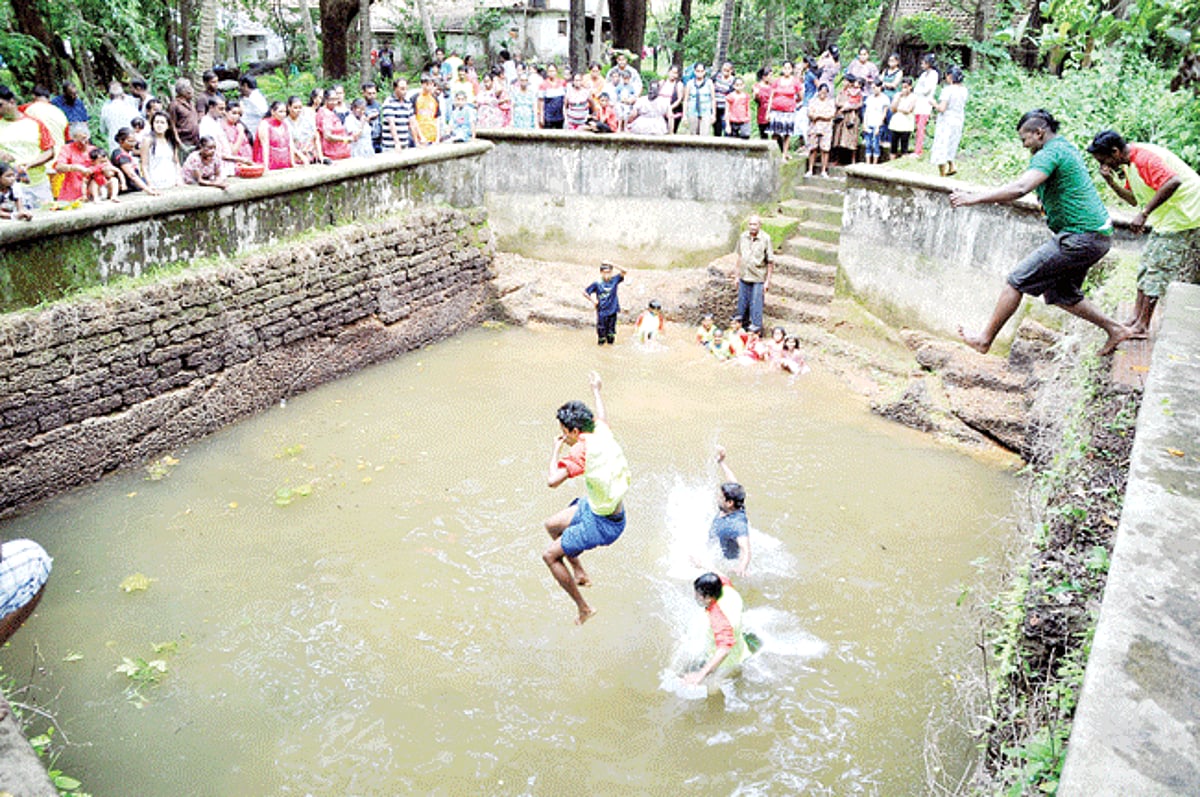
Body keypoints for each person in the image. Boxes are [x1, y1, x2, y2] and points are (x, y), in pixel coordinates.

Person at [950, 109, 1132, 357]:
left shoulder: (1049, 153)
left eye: (1025, 139)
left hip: (1080, 237)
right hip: (1097, 236)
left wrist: (973, 198)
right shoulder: (1064, 147)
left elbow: (1021, 186)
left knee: (1016, 280)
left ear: (1039, 133)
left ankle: (984, 340)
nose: (1025, 145)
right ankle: (1116, 329)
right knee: (1061, 294)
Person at [1088, 129, 1200, 337]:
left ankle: (1143, 325)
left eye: (1103, 160)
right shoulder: (1129, 164)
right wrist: (1111, 182)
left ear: (1115, 152)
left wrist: (1145, 213)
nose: (1103, 165)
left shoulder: (1144, 158)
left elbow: (1173, 181)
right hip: (1168, 218)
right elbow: (1132, 199)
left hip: (1186, 215)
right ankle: (1135, 317)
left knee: (1157, 269)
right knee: (1146, 266)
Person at [542, 372, 631, 625]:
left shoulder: (581, 450)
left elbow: (552, 481)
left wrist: (556, 450)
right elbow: (601, 415)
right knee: (552, 525)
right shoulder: (599, 430)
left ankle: (584, 608)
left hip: (603, 524)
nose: (564, 435)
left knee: (549, 556)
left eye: (564, 432)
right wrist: (596, 390)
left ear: (574, 430)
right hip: (597, 508)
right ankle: (579, 570)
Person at [681, 571, 751, 686]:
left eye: (698, 594)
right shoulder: (727, 589)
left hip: (726, 663)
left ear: (708, 598)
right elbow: (721, 575)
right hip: (741, 647)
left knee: (713, 691)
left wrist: (700, 675)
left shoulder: (718, 617)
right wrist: (701, 564)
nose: (695, 596)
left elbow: (724, 649)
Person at [0, 85, 56, 206]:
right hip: (10, 187)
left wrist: (30, 164)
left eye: (0, 105)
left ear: (12, 101)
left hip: (39, 184)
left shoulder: (36, 123)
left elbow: (50, 151)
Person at [708, 446, 750, 576]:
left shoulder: (737, 525)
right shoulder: (733, 504)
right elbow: (732, 480)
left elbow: (746, 549)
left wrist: (742, 567)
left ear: (730, 503)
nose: (717, 498)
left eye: (721, 497)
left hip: (726, 559)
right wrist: (721, 463)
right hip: (717, 540)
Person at [733, 214, 774, 331]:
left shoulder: (766, 239)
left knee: (756, 307)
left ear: (760, 225)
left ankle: (756, 333)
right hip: (744, 277)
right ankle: (742, 331)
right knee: (742, 306)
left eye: (755, 224)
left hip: (758, 278)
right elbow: (739, 257)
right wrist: (736, 276)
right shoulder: (742, 237)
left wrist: (767, 282)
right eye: (750, 224)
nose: (752, 227)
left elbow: (770, 262)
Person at [930, 66, 967, 176]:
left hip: (946, 120)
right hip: (958, 118)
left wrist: (933, 103)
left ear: (950, 76)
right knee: (952, 144)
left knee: (942, 145)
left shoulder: (948, 90)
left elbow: (942, 108)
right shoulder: (964, 90)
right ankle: (951, 165)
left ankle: (942, 173)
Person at [767, 61, 802, 161]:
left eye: (789, 68)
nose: (787, 70)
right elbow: (771, 96)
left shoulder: (795, 82)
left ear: (791, 70)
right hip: (776, 110)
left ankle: (784, 154)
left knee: (787, 133)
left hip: (788, 111)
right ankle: (772, 154)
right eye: (785, 68)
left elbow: (800, 96)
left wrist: (792, 103)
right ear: (782, 69)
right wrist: (768, 112)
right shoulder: (777, 81)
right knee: (775, 133)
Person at [585, 261, 627, 345]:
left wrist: (611, 263)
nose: (607, 274)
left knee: (611, 335)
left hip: (612, 310)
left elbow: (624, 271)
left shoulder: (615, 280)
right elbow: (585, 292)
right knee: (601, 336)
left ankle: (610, 349)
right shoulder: (597, 283)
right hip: (602, 312)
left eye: (609, 272)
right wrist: (594, 301)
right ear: (601, 272)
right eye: (605, 272)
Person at [53, 122, 96, 202]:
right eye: (79, 141)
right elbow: (58, 167)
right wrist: (75, 167)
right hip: (70, 193)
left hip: (91, 192)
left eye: (84, 139)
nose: (83, 143)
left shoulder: (94, 150)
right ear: (73, 139)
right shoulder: (67, 149)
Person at [142, 111, 181, 190]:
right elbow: (144, 165)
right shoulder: (148, 141)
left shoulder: (171, 141)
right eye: (157, 122)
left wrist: (179, 179)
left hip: (172, 182)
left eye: (162, 123)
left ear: (168, 126)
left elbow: (176, 162)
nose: (159, 125)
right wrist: (149, 184)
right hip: (155, 183)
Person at [111, 127, 156, 195]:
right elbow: (132, 175)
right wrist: (148, 190)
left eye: (134, 141)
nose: (133, 144)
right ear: (121, 141)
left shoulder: (127, 153)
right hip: (127, 190)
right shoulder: (120, 155)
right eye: (130, 141)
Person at [256, 101, 299, 171]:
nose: (283, 114)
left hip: (284, 163)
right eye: (280, 112)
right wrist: (266, 166)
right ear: (273, 112)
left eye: (285, 112)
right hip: (271, 163)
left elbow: (290, 145)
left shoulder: (285, 124)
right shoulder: (265, 124)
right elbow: (265, 145)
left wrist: (292, 162)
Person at [100, 81, 141, 152]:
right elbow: (140, 124)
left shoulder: (105, 109)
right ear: (122, 94)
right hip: (130, 142)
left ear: (109, 95)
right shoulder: (131, 108)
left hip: (114, 144)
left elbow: (102, 129)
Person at [833, 76, 863, 165]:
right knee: (838, 137)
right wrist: (843, 106)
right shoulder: (841, 92)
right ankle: (837, 159)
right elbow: (837, 102)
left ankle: (852, 160)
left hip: (851, 117)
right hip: (841, 117)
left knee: (851, 138)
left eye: (846, 82)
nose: (844, 83)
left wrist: (849, 106)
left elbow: (859, 104)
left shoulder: (857, 93)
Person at [913, 54, 939, 158]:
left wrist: (919, 91)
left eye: (924, 62)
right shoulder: (923, 75)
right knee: (917, 125)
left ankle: (918, 151)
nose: (922, 64)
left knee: (921, 126)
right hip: (919, 102)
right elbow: (917, 88)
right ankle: (917, 148)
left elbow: (927, 90)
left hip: (926, 103)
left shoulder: (934, 74)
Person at [317, 89, 353, 160]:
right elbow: (327, 136)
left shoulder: (330, 112)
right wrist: (345, 139)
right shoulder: (326, 114)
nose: (334, 102)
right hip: (333, 154)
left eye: (336, 99)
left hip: (341, 152)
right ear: (325, 100)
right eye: (332, 100)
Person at [381, 78, 416, 150]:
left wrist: (417, 141)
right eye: (402, 89)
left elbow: (412, 123)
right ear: (395, 88)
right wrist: (397, 142)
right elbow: (391, 124)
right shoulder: (389, 102)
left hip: (405, 143)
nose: (405, 92)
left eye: (406, 89)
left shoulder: (408, 102)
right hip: (390, 145)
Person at [682, 63, 715, 136]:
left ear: (704, 72)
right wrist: (684, 115)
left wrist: (713, 114)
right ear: (694, 71)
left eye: (701, 71)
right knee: (693, 134)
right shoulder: (689, 83)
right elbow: (686, 100)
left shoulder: (709, 83)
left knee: (704, 134)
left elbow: (713, 99)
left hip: (705, 111)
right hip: (692, 111)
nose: (699, 73)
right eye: (698, 71)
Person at [168, 77, 201, 151]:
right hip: (184, 142)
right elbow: (172, 125)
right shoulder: (175, 105)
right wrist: (179, 142)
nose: (191, 91)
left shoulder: (191, 104)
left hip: (195, 141)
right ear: (183, 91)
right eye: (189, 89)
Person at [862, 80, 890, 165]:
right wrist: (864, 123)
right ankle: (867, 163)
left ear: (880, 87)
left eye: (875, 87)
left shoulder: (885, 99)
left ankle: (874, 164)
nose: (873, 89)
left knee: (875, 144)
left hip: (877, 123)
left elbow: (884, 114)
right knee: (868, 144)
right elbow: (866, 112)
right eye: (872, 88)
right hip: (869, 122)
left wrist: (879, 126)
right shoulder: (870, 98)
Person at [888, 78, 916, 157]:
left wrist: (898, 109)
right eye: (902, 87)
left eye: (906, 87)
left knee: (904, 147)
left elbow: (908, 110)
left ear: (910, 87)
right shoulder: (897, 95)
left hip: (906, 126)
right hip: (895, 124)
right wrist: (898, 99)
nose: (904, 89)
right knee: (893, 148)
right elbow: (892, 109)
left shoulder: (913, 97)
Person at [238, 75, 269, 140]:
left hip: (255, 132)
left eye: (240, 86)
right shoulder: (246, 97)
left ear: (245, 86)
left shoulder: (256, 98)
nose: (239, 89)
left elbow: (264, 113)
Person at [414, 76, 441, 144]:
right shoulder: (415, 98)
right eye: (428, 84)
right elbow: (413, 120)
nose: (430, 87)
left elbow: (437, 119)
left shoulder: (435, 99)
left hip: (433, 135)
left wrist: (438, 137)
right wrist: (420, 136)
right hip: (420, 136)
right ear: (423, 85)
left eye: (431, 84)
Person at [537, 64, 566, 129]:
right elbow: (541, 102)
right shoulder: (543, 84)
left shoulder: (562, 83)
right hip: (548, 116)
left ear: (556, 71)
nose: (551, 73)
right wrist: (541, 116)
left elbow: (565, 99)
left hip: (560, 115)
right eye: (550, 71)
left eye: (553, 71)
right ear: (547, 72)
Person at [712, 61, 736, 138]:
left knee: (726, 128)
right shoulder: (716, 77)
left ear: (731, 71)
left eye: (727, 70)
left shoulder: (733, 81)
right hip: (715, 106)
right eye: (724, 70)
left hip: (726, 107)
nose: (725, 72)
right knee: (716, 129)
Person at [361, 82, 383, 153]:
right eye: (369, 93)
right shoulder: (360, 106)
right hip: (366, 140)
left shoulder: (378, 105)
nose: (372, 96)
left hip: (378, 138)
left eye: (374, 93)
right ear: (364, 93)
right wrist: (369, 118)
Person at [752, 67, 773, 141]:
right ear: (764, 76)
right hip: (762, 110)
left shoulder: (772, 86)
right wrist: (756, 94)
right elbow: (756, 100)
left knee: (776, 133)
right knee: (763, 133)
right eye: (770, 75)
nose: (771, 77)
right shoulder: (757, 86)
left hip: (772, 110)